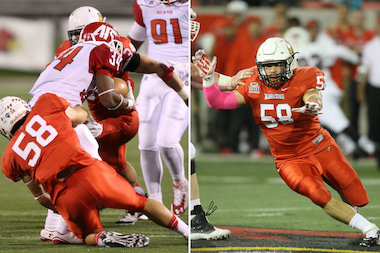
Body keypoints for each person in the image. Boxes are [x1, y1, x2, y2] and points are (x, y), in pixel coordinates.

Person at [192, 37, 380, 247]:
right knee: (319, 196)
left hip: (320, 145)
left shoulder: (305, 75)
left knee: (356, 195)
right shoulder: (252, 81)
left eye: (277, 65)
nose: (272, 71)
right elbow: (218, 101)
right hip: (289, 159)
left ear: (289, 64)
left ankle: (356, 216)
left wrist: (313, 104)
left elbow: (313, 93)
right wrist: (208, 80)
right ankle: (369, 229)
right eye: (267, 66)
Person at [31, 20, 188, 244]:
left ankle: (58, 226)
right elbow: (108, 97)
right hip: (62, 113)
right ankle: (124, 206)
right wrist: (127, 102)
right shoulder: (103, 49)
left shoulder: (69, 49)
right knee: (91, 170)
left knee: (63, 166)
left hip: (38, 112)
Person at [0, 94, 188, 248]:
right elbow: (81, 115)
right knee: (142, 203)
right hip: (91, 172)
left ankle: (100, 237)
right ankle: (186, 232)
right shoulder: (45, 104)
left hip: (64, 195)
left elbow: (41, 198)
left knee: (88, 234)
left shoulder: (9, 158)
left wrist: (64, 211)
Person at [127, 0, 189, 217]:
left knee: (166, 141)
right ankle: (155, 201)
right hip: (153, 77)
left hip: (182, 77)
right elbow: (132, 42)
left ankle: (180, 183)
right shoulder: (145, 4)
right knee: (146, 143)